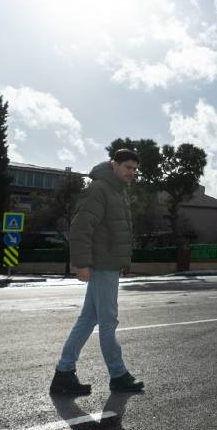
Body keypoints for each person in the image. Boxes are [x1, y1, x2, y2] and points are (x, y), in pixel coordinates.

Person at [49, 149, 146, 396]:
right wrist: (81, 263)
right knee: (108, 321)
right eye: (127, 168)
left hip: (109, 264)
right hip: (101, 266)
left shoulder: (117, 191)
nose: (131, 173)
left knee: (87, 320)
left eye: (135, 169)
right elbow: (81, 227)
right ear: (114, 165)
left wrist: (124, 261)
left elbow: (117, 231)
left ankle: (64, 373)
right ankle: (118, 375)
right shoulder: (100, 189)